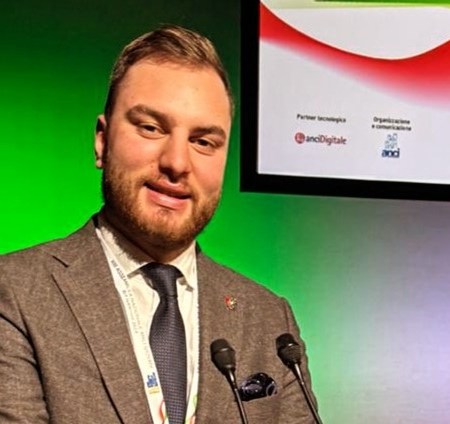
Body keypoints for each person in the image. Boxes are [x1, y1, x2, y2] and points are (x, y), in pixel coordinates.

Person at [0, 25, 317, 423]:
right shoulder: (16, 293)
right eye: (151, 128)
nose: (177, 163)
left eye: (203, 141)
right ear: (102, 141)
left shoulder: (269, 318)